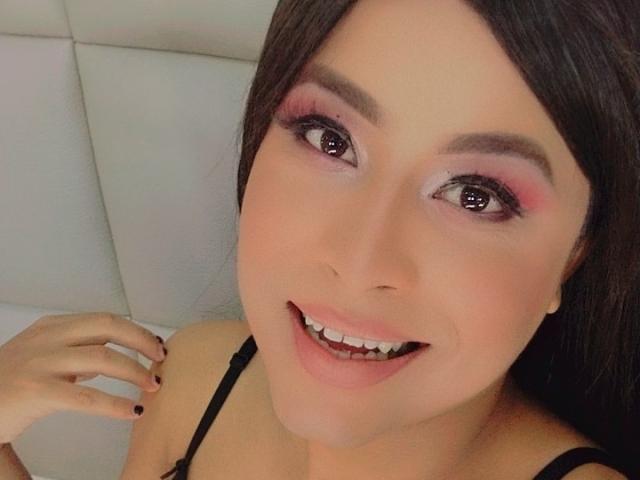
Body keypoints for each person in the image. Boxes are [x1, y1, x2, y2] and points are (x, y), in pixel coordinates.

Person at [1, 0, 638, 478]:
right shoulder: (193, 379)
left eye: (477, 195)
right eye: (330, 139)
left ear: (575, 254)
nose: (359, 263)